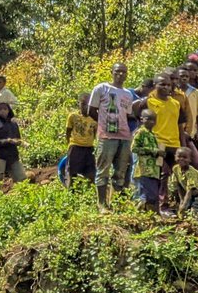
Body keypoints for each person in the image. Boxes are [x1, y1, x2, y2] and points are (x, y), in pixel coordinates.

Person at [89, 62, 136, 207]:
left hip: (124, 137)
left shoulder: (128, 94)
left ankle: (115, 203)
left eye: (123, 72)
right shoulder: (101, 88)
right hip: (106, 137)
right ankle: (102, 204)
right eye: (118, 71)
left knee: (120, 172)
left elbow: (127, 115)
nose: (120, 74)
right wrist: (104, 124)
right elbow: (91, 110)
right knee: (103, 170)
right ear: (112, 72)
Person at [166, 147, 198, 224]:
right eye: (179, 156)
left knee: (197, 213)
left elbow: (190, 190)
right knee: (186, 211)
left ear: (190, 159)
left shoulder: (191, 172)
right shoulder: (176, 169)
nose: (181, 159)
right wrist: (182, 200)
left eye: (185, 157)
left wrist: (184, 205)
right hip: (191, 194)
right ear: (175, 157)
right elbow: (179, 186)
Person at [63, 94, 98, 185]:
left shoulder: (94, 118)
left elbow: (95, 133)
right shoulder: (73, 116)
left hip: (89, 148)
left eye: (88, 104)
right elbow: (68, 132)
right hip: (75, 147)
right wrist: (70, 145)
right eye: (83, 104)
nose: (85, 107)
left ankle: (88, 194)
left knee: (90, 173)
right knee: (73, 173)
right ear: (79, 104)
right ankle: (72, 193)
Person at [131, 109, 163, 207]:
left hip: (153, 171)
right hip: (143, 170)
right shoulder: (140, 132)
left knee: (152, 196)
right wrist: (153, 151)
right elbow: (134, 148)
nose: (152, 122)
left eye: (154, 120)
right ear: (142, 119)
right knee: (143, 196)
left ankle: (150, 216)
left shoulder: (153, 135)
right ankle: (140, 216)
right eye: (149, 119)